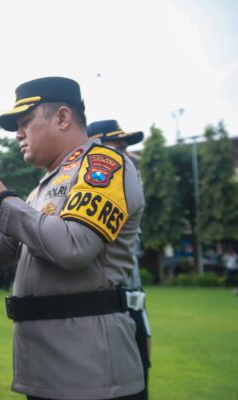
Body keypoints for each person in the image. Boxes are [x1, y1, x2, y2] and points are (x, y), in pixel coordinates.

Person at [0, 77, 145, 399]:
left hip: (90, 372)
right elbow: (4, 254)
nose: (18, 134)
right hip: (50, 367)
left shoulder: (103, 165)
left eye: (25, 122)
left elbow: (73, 247)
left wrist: (3, 199)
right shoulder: (44, 187)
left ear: (63, 118)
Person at [88, 119, 152, 398]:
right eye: (118, 148)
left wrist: (143, 323)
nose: (126, 157)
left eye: (126, 149)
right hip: (104, 315)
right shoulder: (91, 196)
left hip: (133, 308)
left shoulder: (128, 194)